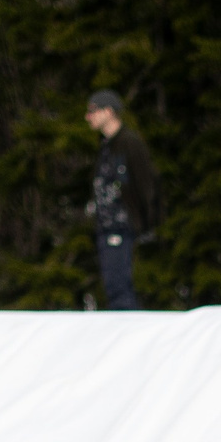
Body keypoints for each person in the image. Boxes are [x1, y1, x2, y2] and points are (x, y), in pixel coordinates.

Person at [83, 90, 159, 310]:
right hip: (107, 226)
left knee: (119, 287)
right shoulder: (107, 145)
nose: (89, 117)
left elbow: (146, 184)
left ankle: (128, 333)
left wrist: (146, 223)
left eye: (93, 111)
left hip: (121, 225)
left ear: (109, 112)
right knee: (113, 285)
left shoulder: (129, 143)